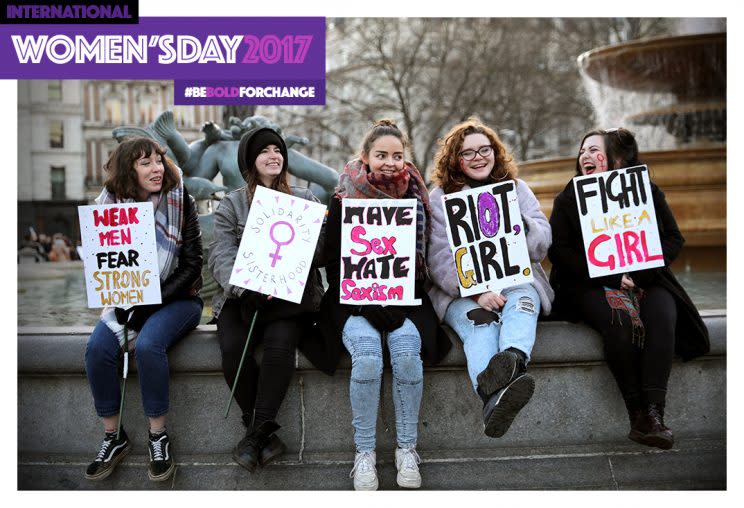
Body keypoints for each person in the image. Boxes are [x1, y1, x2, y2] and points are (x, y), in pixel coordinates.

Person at [548, 127, 710, 450]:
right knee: (618, 319)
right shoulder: (568, 198)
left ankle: (654, 414)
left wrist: (638, 273)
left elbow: (673, 239)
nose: (585, 156)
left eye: (595, 150)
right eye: (582, 151)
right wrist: (610, 277)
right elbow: (559, 252)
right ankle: (636, 411)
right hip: (587, 285)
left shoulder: (645, 190)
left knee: (664, 314)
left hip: (646, 279)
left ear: (615, 159)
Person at [316, 119, 451, 490]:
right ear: (365, 157)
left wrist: (395, 299)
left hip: (404, 297)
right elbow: (331, 261)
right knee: (368, 354)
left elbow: (418, 262)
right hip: (351, 299)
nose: (390, 162)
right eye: (381, 155)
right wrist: (365, 302)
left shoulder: (415, 198)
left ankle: (407, 449)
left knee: (408, 352)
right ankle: (364, 455)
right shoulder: (343, 198)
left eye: (397, 155)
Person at [84, 137, 204, 481]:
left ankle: (158, 436)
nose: (156, 168)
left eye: (158, 160)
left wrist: (151, 300)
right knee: (96, 349)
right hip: (126, 301)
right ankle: (114, 437)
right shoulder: (108, 211)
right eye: (145, 163)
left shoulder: (182, 201)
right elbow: (103, 267)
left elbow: (193, 265)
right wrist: (124, 298)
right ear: (128, 170)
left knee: (150, 346)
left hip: (179, 299)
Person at [427, 118, 554, 439]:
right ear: (455, 159)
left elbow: (542, 239)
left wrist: (521, 225)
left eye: (485, 149)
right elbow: (438, 257)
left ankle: (511, 360)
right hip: (463, 294)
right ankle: (494, 397)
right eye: (468, 153)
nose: (478, 157)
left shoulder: (517, 190)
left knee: (525, 301)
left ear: (495, 152)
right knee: (481, 324)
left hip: (516, 281)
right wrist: (477, 290)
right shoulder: (439, 198)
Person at [208, 127, 325, 473]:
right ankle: (262, 435)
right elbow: (220, 255)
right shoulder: (231, 203)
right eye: (265, 151)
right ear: (250, 160)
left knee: (279, 347)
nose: (274, 155)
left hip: (291, 298)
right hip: (244, 297)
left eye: (278, 150)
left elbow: (321, 253)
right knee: (232, 352)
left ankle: (254, 437)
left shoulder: (307, 200)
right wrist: (246, 288)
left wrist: (298, 255)